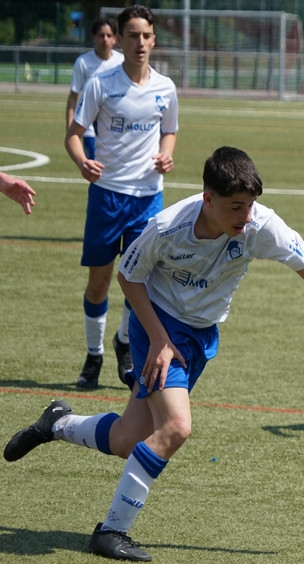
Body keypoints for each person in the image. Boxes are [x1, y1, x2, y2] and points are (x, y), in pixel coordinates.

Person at [3, 146, 304, 562]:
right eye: (236, 207)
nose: (245, 216)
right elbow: (128, 276)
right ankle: (111, 531)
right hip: (157, 326)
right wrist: (159, 339)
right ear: (209, 199)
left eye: (250, 205)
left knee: (127, 439)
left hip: (200, 335)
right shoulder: (168, 226)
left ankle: (57, 423)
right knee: (176, 427)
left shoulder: (262, 226)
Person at [65, 5, 178, 391]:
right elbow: (74, 134)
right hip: (107, 197)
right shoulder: (100, 83)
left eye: (146, 36)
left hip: (147, 198)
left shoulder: (166, 88)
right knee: (100, 281)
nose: (140, 43)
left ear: (154, 40)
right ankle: (93, 354)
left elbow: (169, 131)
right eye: (132, 35)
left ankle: (125, 343)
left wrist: (166, 154)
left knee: (139, 280)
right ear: (120, 40)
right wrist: (82, 162)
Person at [66, 16, 123, 161]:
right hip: (90, 129)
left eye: (109, 35)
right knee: (93, 169)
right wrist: (70, 127)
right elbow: (73, 97)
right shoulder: (83, 62)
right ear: (93, 37)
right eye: (101, 35)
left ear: (115, 38)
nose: (105, 39)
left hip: (115, 129)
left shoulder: (122, 62)